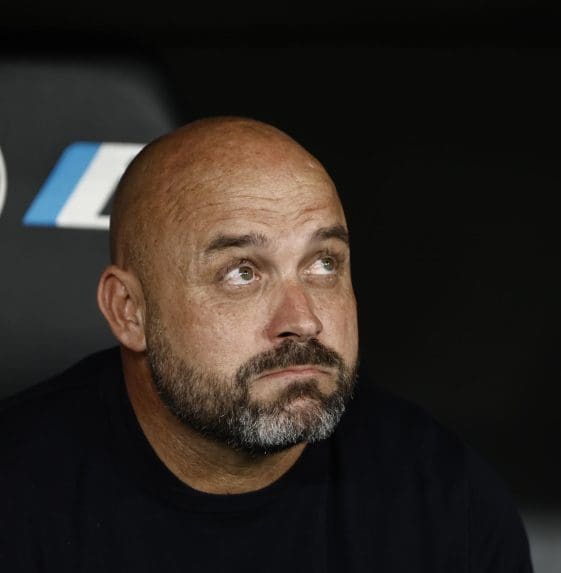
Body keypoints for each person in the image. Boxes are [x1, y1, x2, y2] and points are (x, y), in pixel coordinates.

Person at [0, 117, 533, 572]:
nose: (302, 321)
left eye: (323, 264)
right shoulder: (18, 502)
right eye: (241, 273)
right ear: (129, 312)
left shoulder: (441, 502)